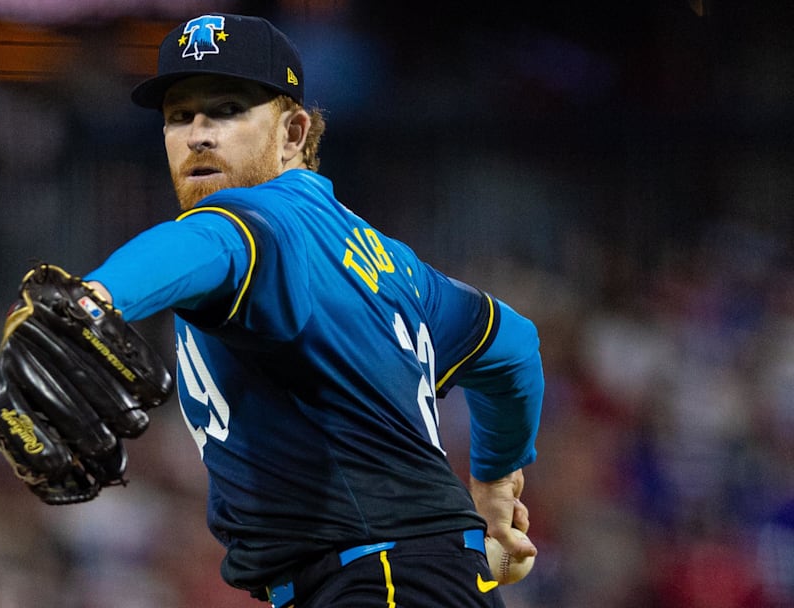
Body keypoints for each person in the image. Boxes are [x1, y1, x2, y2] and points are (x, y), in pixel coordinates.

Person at [78, 12, 544, 607]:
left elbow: (203, 243)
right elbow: (513, 346)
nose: (198, 134)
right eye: (179, 116)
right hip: (409, 577)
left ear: (294, 133)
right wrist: (497, 482)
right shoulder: (396, 267)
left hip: (379, 581)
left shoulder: (260, 225)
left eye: (226, 110)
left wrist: (93, 299)